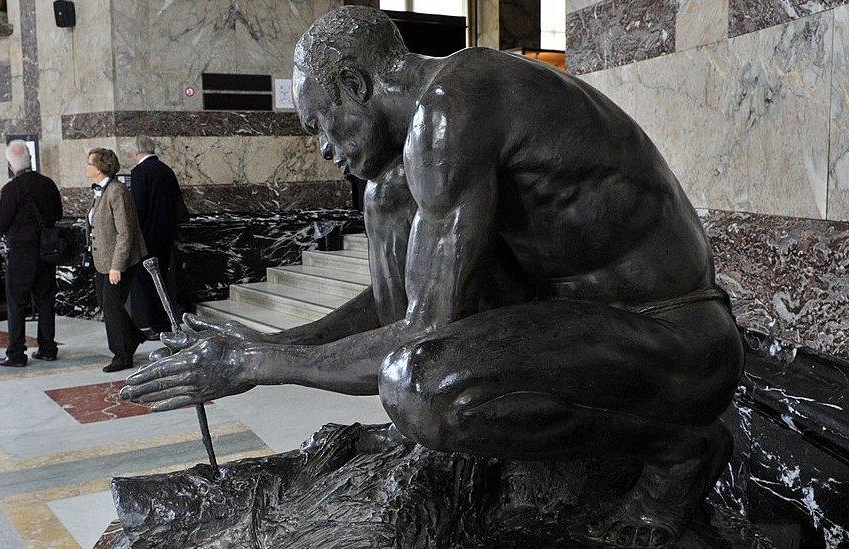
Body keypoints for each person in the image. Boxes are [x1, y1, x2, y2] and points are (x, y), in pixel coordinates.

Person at [122, 7, 744, 548]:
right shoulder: (425, 136)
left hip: (675, 338)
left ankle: (678, 452)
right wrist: (257, 347)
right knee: (386, 196)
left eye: (319, 124)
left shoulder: (456, 105)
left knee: (420, 386)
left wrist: (257, 367)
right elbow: (399, 308)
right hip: (582, 325)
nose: (322, 151)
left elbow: (423, 333)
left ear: (353, 83)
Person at [0, 140, 63, 367]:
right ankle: (48, 348)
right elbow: (58, 213)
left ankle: (16, 354)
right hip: (45, 252)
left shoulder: (11, 189)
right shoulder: (48, 184)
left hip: (21, 254)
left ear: (10, 165)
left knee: (17, 303)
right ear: (30, 160)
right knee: (45, 301)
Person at [85, 148, 148, 372]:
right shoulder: (101, 191)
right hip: (102, 260)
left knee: (112, 306)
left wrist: (116, 266)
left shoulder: (117, 192)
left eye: (90, 164)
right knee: (106, 304)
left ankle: (122, 355)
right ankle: (134, 335)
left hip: (118, 261)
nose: (87, 167)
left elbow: (125, 232)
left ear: (102, 168)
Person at [128, 136, 185, 340]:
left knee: (148, 282)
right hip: (166, 235)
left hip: (146, 238)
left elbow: (139, 208)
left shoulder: (139, 172)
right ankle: (168, 321)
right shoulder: (166, 170)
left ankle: (157, 325)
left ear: (137, 153)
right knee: (163, 279)